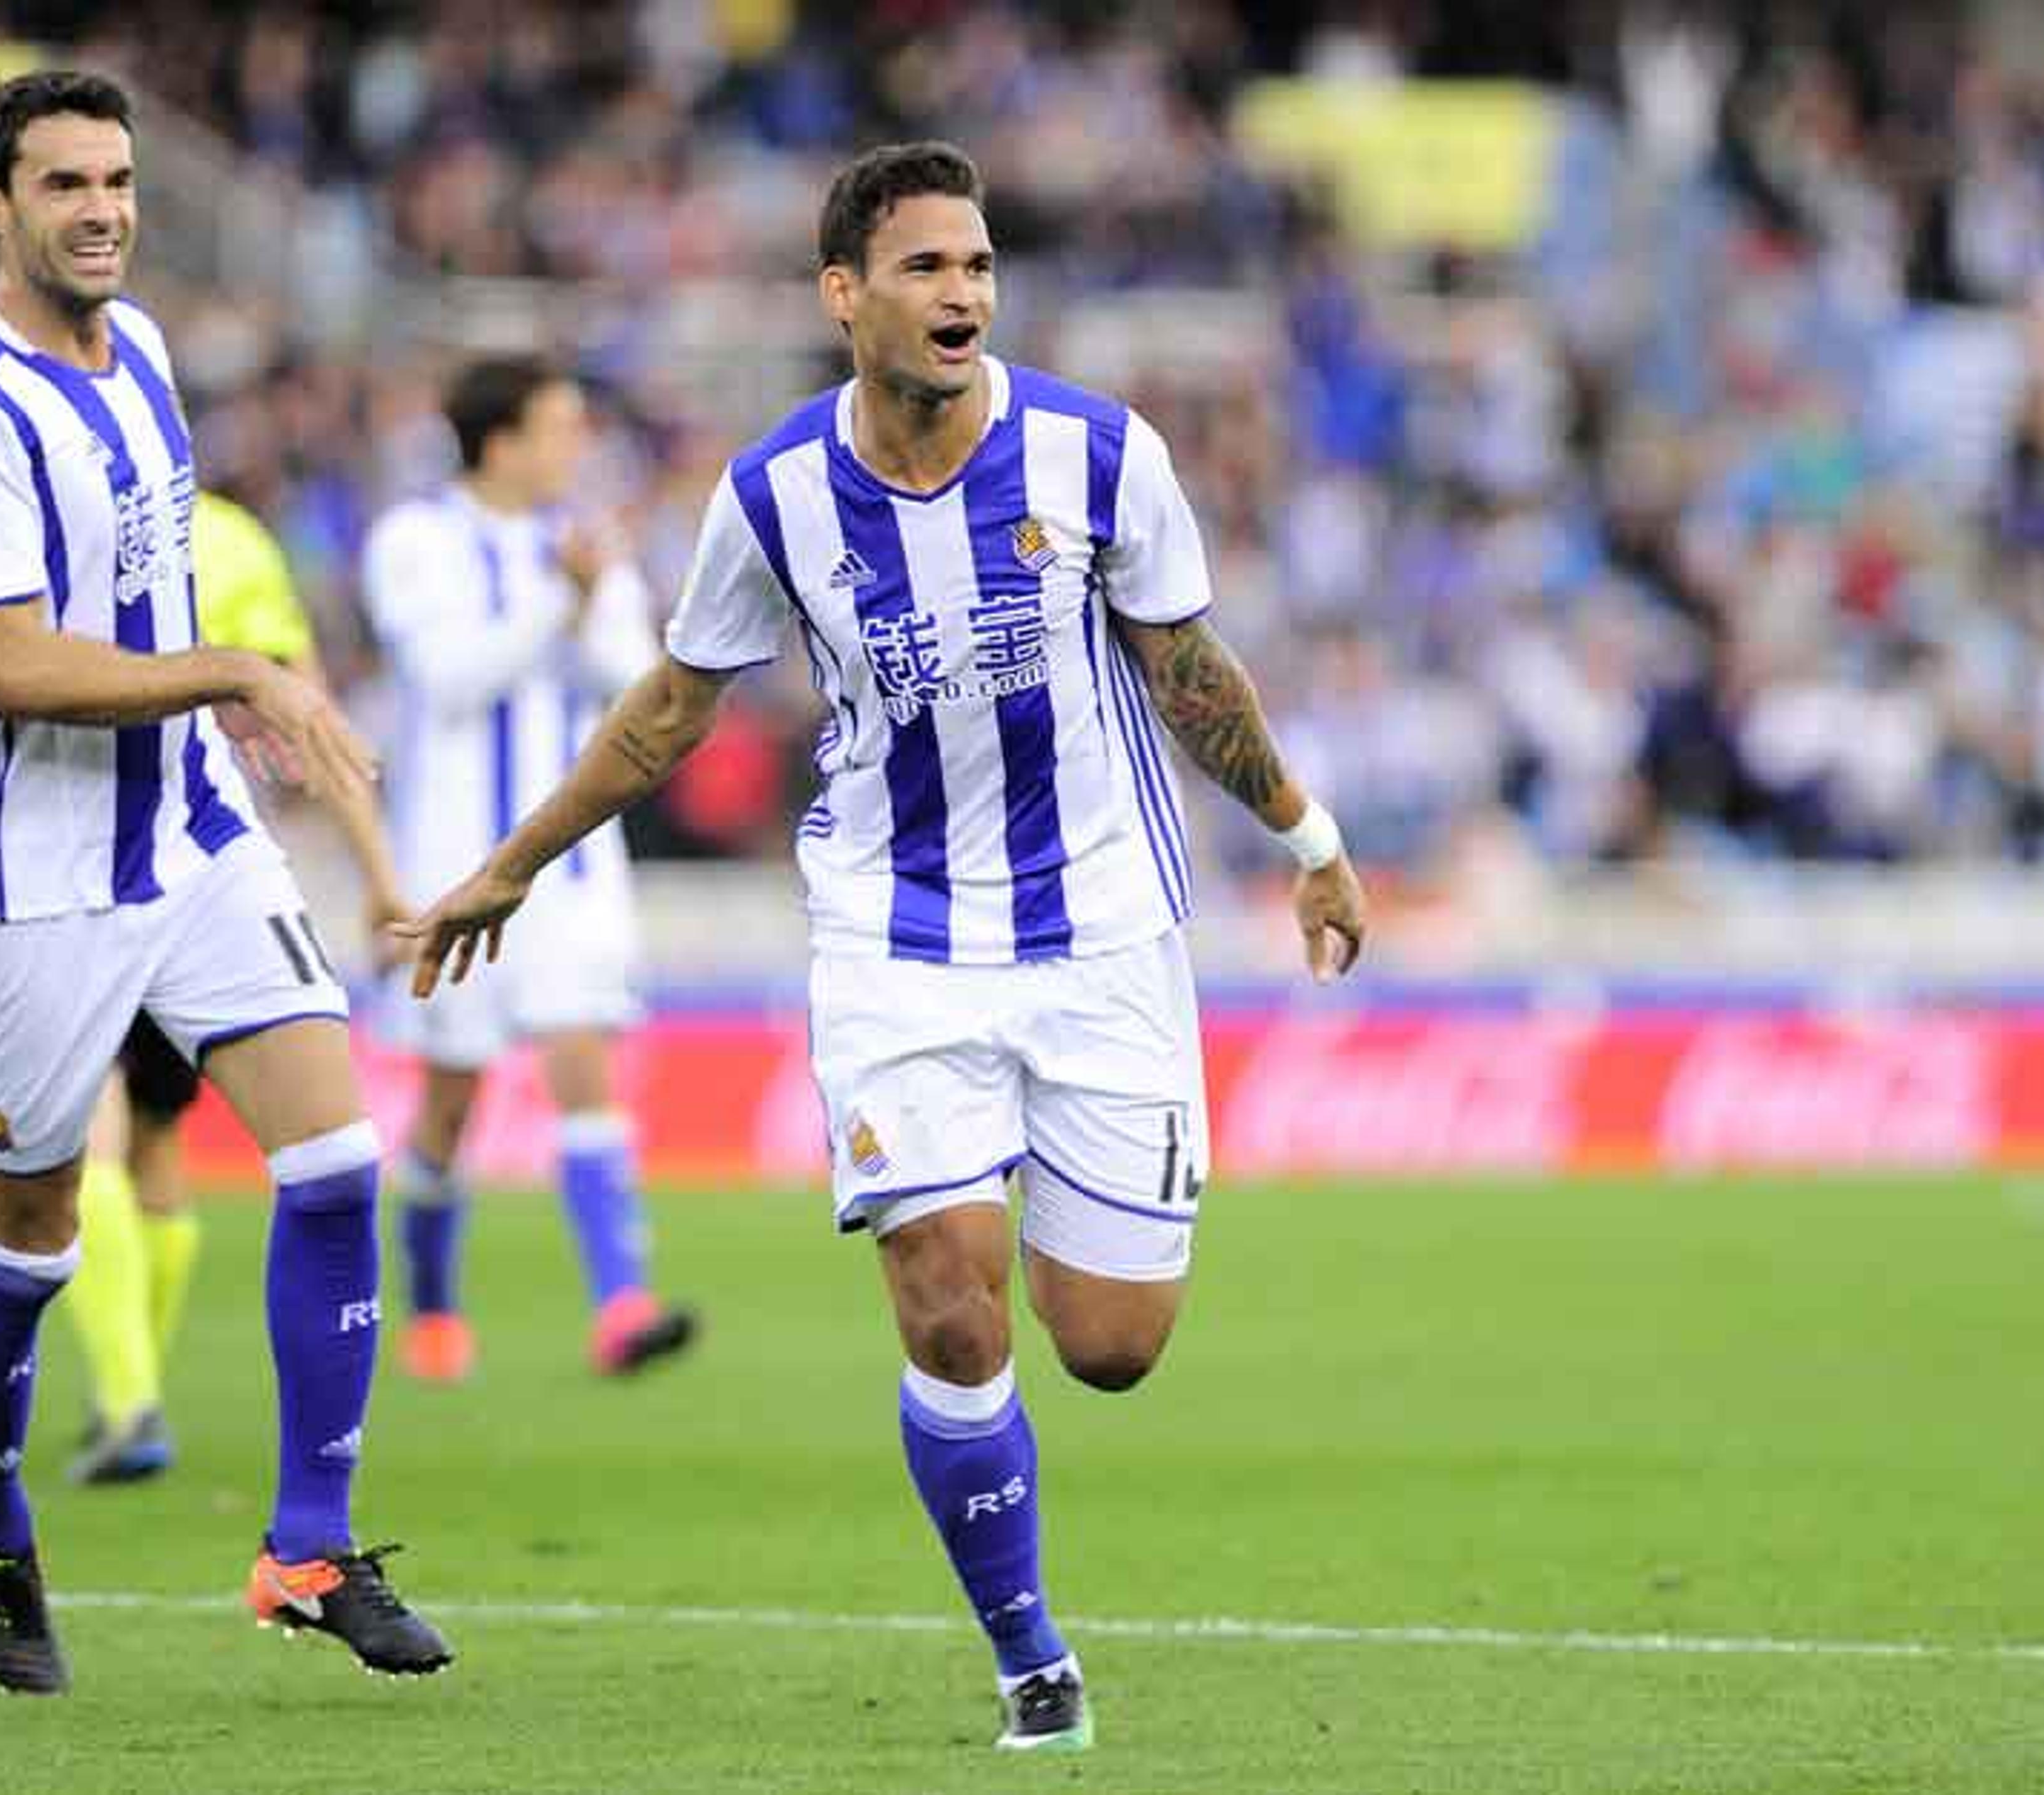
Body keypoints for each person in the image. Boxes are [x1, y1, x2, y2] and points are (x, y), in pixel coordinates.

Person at [395, 142, 1367, 1753]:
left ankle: (1066, 1319)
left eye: (978, 266)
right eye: (926, 268)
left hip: (1105, 928)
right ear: (845, 295)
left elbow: (1190, 668)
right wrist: (509, 867)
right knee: (946, 1300)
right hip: (893, 933)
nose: (963, 294)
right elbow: (667, 710)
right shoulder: (774, 494)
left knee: (1111, 1346)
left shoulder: (1098, 455)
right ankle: (1028, 1652)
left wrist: (1310, 842)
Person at [0, 69, 447, 1694]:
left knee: (335, 1160)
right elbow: (11, 666)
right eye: (64, 184)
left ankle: (308, 1545)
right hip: (36, 881)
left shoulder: (152, 362)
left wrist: (253, 721)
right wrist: (240, 680)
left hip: (191, 837)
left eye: (118, 178)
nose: (104, 208)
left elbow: (153, 600)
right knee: (33, 1246)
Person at [0, 489, 411, 1486]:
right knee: (164, 1146)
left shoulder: (8, 534)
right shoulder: (234, 540)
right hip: (199, 872)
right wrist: (379, 878)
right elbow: (315, 730)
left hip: (58, 882)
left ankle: (128, 1398)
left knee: (96, 1144)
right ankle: (136, 1383)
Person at [363, 357, 698, 1384]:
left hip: (577, 867)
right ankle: (433, 1307)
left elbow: (643, 686)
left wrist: (590, 602)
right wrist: (561, 606)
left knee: (582, 1066)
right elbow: (446, 679)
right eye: (558, 429)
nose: (576, 449)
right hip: (453, 865)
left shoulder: (588, 543)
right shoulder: (416, 540)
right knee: (451, 1101)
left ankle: (622, 1306)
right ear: (500, 441)